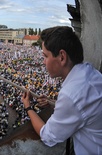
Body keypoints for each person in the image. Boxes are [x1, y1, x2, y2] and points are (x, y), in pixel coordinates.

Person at [21, 26, 102, 155]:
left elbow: (47, 136)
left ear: (62, 57)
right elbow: (82, 110)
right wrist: (53, 102)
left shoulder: (71, 94)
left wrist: (28, 107)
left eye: (45, 56)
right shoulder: (89, 72)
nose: (44, 62)